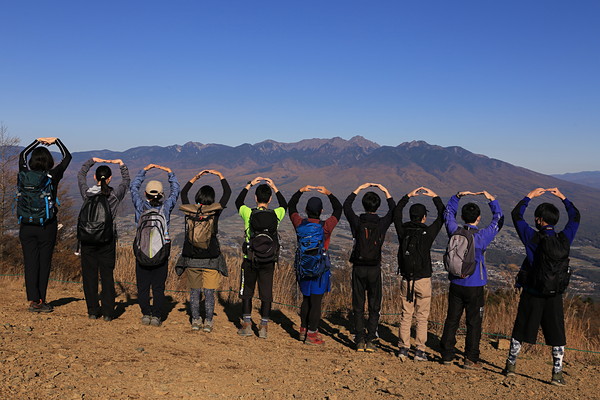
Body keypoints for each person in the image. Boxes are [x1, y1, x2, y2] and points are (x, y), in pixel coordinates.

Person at [503, 187, 580, 386]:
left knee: (521, 328)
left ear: (538, 220)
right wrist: (563, 197)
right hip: (554, 294)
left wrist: (529, 196)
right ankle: (557, 373)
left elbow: (516, 215)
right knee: (557, 333)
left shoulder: (532, 237)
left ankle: (511, 366)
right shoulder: (564, 239)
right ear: (554, 221)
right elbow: (575, 217)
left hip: (533, 292)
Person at [440, 191, 503, 368]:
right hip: (475, 285)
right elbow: (499, 219)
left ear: (462, 216)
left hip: (455, 282)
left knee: (452, 319)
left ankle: (446, 354)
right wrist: (492, 200)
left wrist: (457, 197)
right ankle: (470, 358)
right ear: (478, 218)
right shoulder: (481, 237)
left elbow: (448, 214)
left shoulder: (454, 231)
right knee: (474, 322)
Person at [18, 137, 71, 312]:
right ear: (49, 161)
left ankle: (33, 300)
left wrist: (36, 141)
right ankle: (41, 300)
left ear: (32, 161)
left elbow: (22, 154)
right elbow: (67, 157)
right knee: (44, 263)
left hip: (26, 225)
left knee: (30, 263)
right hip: (47, 226)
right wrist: (56, 141)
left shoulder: (24, 173)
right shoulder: (52, 176)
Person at [393, 186, 445, 361]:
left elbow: (396, 213)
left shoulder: (403, 231)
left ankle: (403, 348)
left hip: (407, 279)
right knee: (422, 317)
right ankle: (420, 351)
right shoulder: (427, 233)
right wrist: (435, 196)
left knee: (405, 315)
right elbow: (442, 215)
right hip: (423, 280)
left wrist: (407, 196)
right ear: (424, 218)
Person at [176, 169, 231, 333]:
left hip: (192, 258)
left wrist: (195, 177)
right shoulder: (214, 211)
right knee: (209, 293)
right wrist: (220, 175)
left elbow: (183, 192)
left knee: (194, 292)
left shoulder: (189, 210)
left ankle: (195, 320)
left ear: (198, 196)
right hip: (211, 259)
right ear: (212, 199)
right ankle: (208, 322)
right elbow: (227, 192)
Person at [343, 182, 395, 352]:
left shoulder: (358, 223)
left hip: (358, 267)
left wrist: (358, 188)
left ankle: (359, 339)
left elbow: (346, 206)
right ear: (377, 206)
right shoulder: (381, 224)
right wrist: (386, 190)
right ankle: (371, 339)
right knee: (374, 304)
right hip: (374, 268)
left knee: (358, 304)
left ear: (364, 205)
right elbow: (393, 210)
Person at [288, 185, 342, 345]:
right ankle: (312, 335)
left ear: (305, 209)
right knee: (316, 302)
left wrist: (300, 191)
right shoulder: (325, 227)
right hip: (320, 270)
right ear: (321, 211)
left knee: (306, 299)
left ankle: (303, 330)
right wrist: (329, 193)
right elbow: (338, 209)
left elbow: (291, 206)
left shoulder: (299, 223)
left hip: (303, 267)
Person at [77, 158, 130, 321]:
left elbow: (80, 175)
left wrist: (91, 161)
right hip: (107, 240)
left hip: (87, 239)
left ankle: (93, 310)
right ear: (109, 179)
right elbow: (126, 181)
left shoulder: (87, 194)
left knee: (89, 276)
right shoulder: (113, 195)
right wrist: (121, 164)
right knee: (107, 276)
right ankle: (107, 312)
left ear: (95, 177)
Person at [235, 177, 287, 339]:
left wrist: (249, 184)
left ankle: (247, 324)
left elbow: (238, 201)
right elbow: (285, 205)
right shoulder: (276, 214)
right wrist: (275, 186)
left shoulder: (248, 212)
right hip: (268, 260)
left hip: (249, 258)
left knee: (247, 292)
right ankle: (263, 326)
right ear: (270, 199)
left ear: (255, 198)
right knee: (266, 293)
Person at [130, 163, 180, 327]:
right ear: (161, 194)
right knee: (158, 288)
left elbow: (133, 187)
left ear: (145, 193)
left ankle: (146, 313)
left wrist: (143, 170)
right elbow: (176, 191)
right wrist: (170, 172)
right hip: (160, 255)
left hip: (142, 253)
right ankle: (157, 316)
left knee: (143, 287)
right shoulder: (165, 208)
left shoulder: (140, 206)